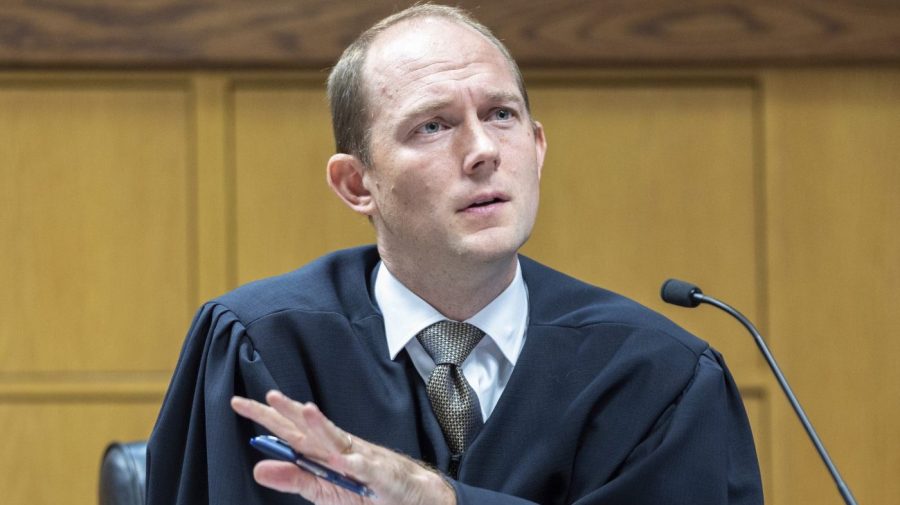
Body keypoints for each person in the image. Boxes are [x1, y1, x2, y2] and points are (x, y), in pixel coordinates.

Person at [146, 4, 763, 505]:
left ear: (538, 148)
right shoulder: (264, 348)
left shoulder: (656, 375)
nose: (483, 151)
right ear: (357, 184)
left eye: (501, 115)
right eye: (433, 126)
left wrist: (432, 498)